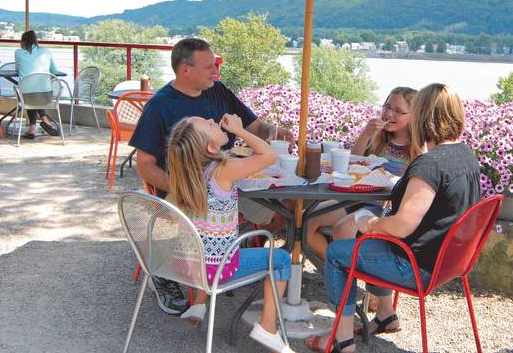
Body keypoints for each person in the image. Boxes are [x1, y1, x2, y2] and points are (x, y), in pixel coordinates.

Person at [305, 83, 481, 353]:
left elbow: (401, 225)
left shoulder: (430, 165)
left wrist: (371, 223)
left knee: (339, 253)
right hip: (448, 264)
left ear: (421, 117)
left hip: (415, 266)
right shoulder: (466, 156)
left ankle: (342, 340)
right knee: (364, 241)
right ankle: (385, 315)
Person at [130, 37, 294, 315]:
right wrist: (187, 188)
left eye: (215, 65)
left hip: (229, 183)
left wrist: (273, 131)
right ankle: (169, 271)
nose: (215, 72)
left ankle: (228, 256)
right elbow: (145, 164)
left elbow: (256, 125)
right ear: (185, 69)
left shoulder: (218, 91)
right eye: (208, 67)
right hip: (183, 191)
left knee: (285, 209)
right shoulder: (159, 106)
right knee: (202, 222)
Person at [166, 114, 293, 352]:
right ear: (211, 147)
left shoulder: (187, 173)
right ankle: (267, 326)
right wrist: (240, 130)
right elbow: (269, 155)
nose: (214, 120)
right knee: (282, 260)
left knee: (210, 241)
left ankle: (198, 305)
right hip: (217, 269)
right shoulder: (222, 170)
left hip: (188, 265)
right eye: (210, 124)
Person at [14, 30, 62, 139]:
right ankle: (44, 119)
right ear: (36, 41)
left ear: (23, 42)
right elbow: (54, 71)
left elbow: (17, 69)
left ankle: (32, 128)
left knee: (29, 92)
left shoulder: (18, 52)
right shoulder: (46, 51)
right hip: (46, 96)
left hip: (26, 96)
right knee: (37, 91)